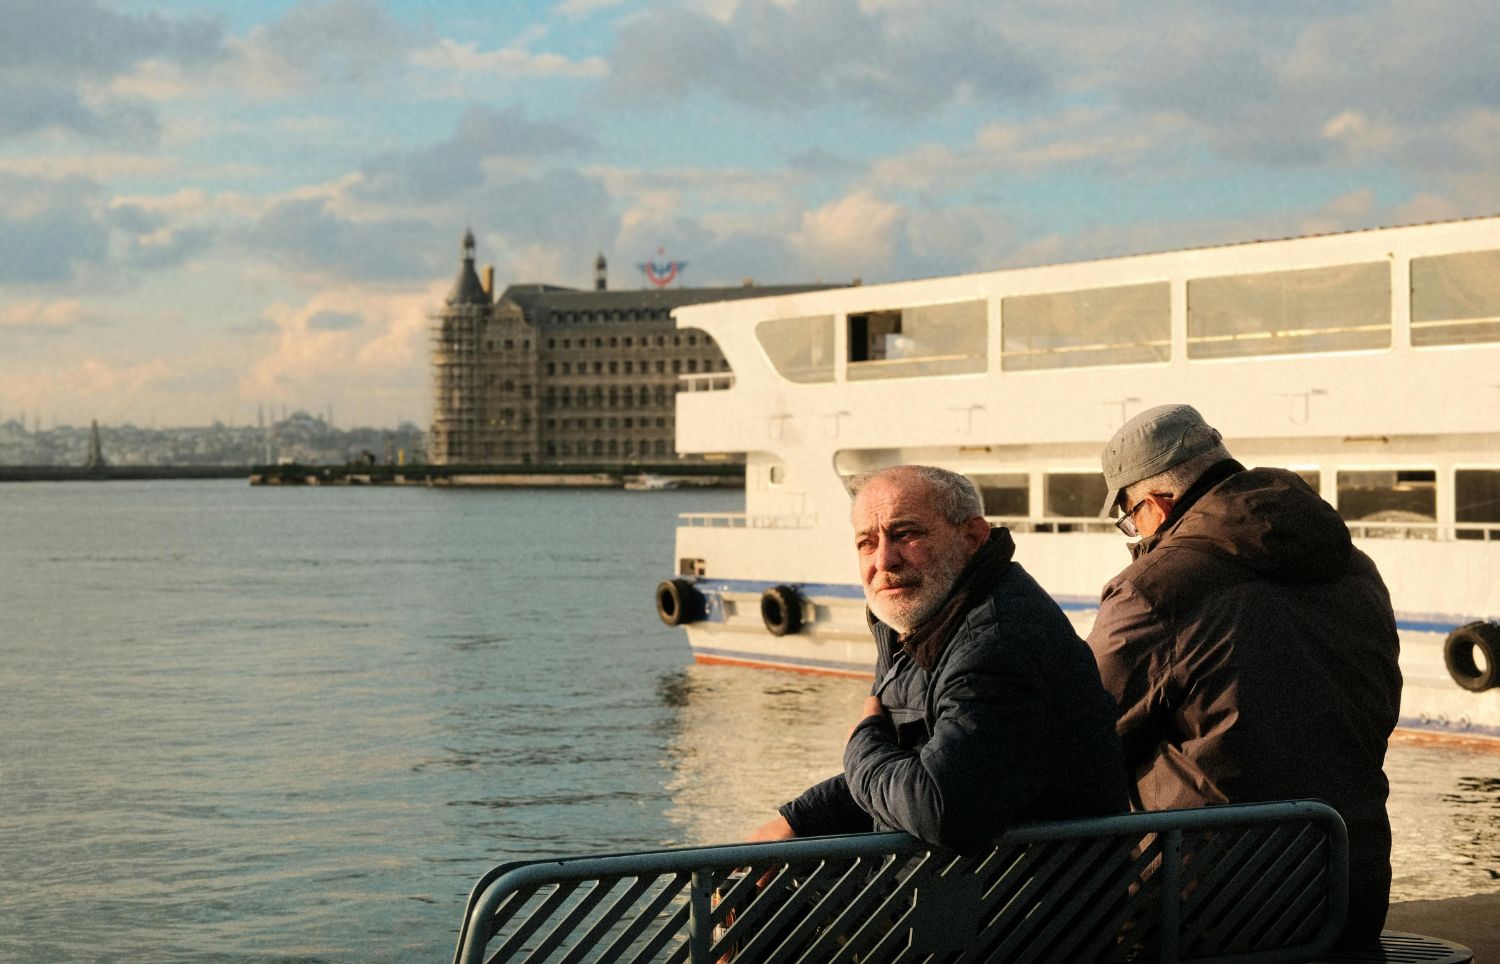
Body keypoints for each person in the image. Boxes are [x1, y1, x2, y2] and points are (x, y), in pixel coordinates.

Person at [1087, 403, 1402, 946]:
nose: (1134, 534)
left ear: (1156, 505)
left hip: (1206, 905)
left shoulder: (1154, 589)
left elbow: (1081, 726)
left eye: (1129, 517)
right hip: (1349, 885)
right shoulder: (1356, 568)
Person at [751, 464, 1128, 853]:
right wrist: (801, 818)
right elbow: (905, 765)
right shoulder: (927, 625)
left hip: (1012, 902)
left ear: (973, 537)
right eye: (866, 542)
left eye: (906, 534)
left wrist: (862, 740)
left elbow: (941, 807)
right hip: (964, 890)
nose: (884, 560)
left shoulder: (996, 645)